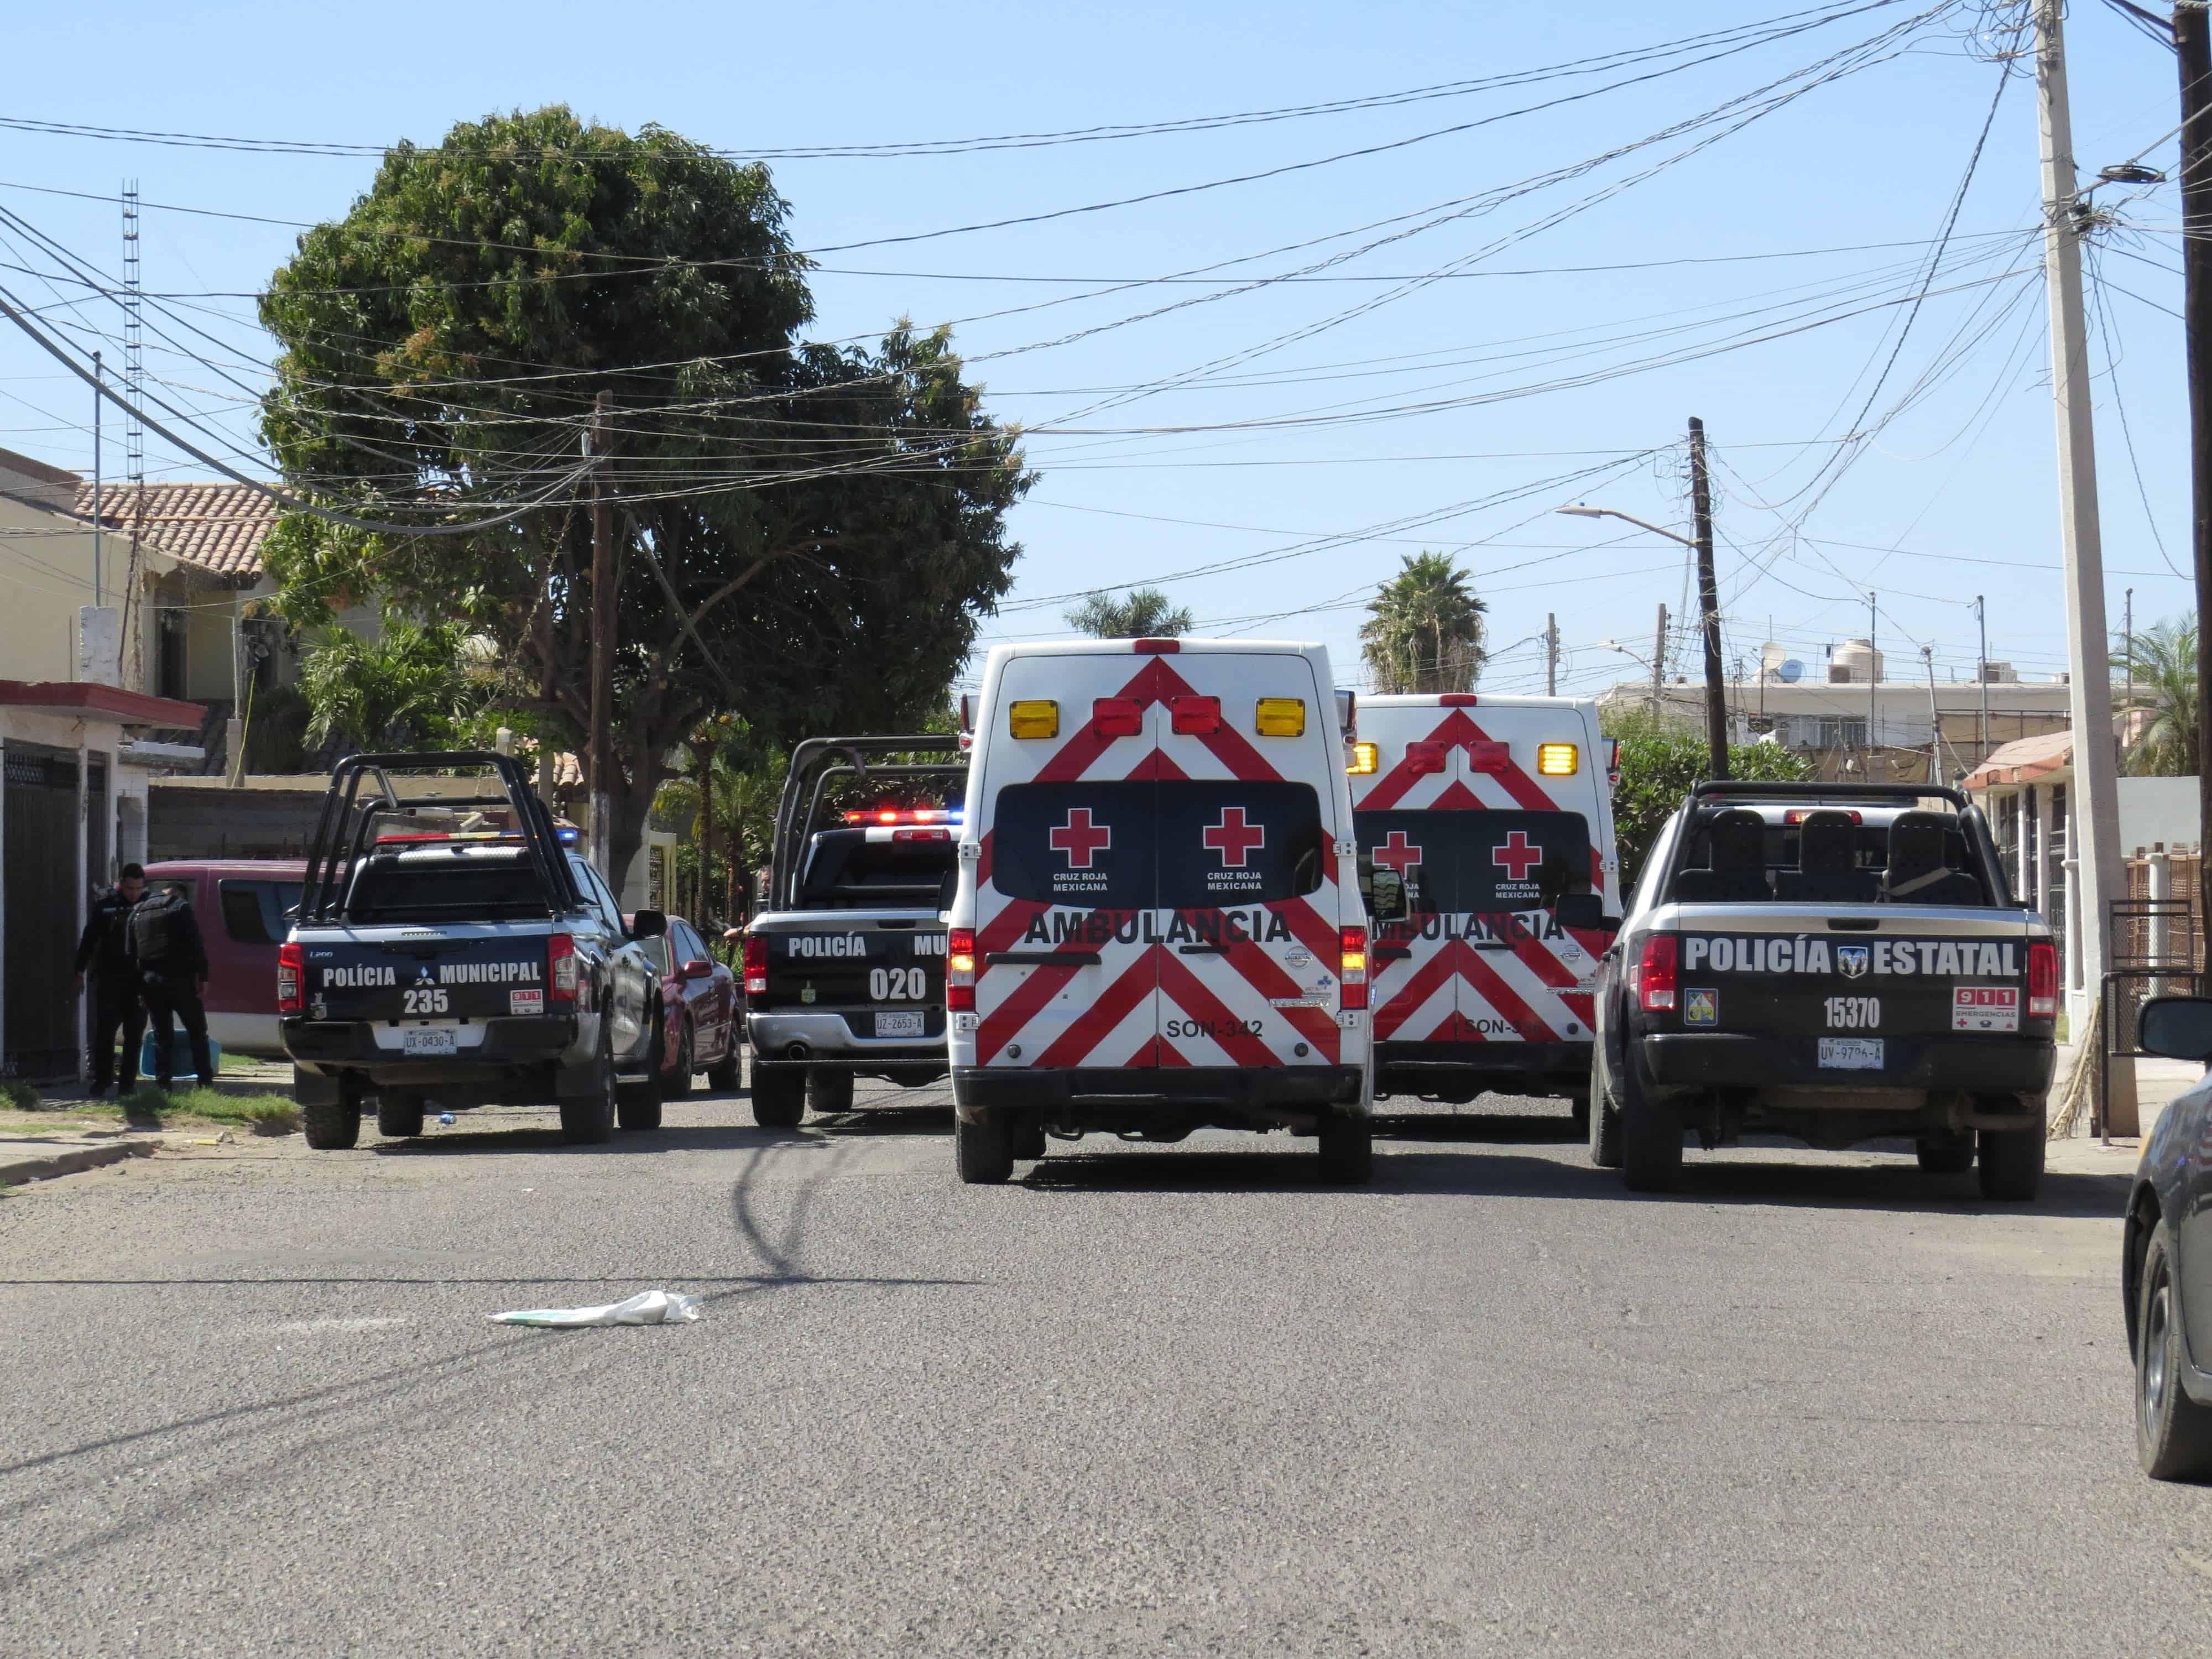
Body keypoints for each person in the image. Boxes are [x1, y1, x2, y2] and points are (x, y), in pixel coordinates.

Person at [126, 878, 216, 1092]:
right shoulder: (180, 906)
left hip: (150, 982)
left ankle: (163, 1084)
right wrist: (203, 977)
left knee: (161, 1035)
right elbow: (196, 944)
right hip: (179, 980)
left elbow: (131, 954)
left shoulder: (137, 911)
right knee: (197, 1031)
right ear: (177, 894)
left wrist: (139, 989)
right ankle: (205, 1082)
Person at [73, 862, 148, 1097]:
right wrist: (80, 970)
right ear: (121, 885)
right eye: (129, 888)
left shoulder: (150, 907)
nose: (134, 893)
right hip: (110, 979)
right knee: (105, 1033)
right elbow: (89, 939)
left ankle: (127, 1085)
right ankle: (103, 1080)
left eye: (138, 889)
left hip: (140, 981)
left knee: (134, 1035)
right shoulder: (107, 907)